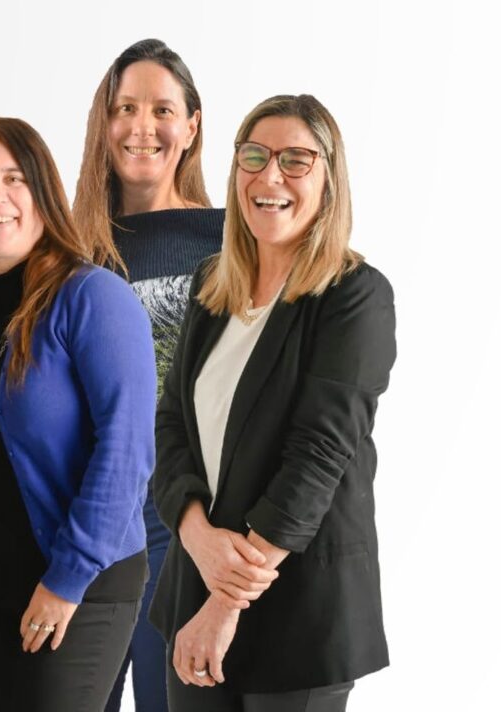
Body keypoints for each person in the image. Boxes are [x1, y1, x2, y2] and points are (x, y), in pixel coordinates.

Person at [148, 94, 396, 712]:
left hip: (298, 613)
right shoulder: (211, 286)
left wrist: (225, 602)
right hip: (194, 588)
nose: (270, 177)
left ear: (329, 179)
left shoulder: (354, 297)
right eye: (253, 157)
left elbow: (317, 458)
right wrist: (197, 537)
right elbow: (170, 424)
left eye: (296, 160)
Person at [0, 116, 157, 711]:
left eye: (13, 178)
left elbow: (127, 451)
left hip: (82, 584)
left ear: (44, 193)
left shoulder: (93, 297)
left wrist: (65, 581)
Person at [73, 38, 224, 712]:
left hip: (191, 526)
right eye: (125, 107)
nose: (143, 126)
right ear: (103, 125)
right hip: (87, 528)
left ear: (191, 125)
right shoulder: (67, 248)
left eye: (163, 109)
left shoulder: (232, 239)